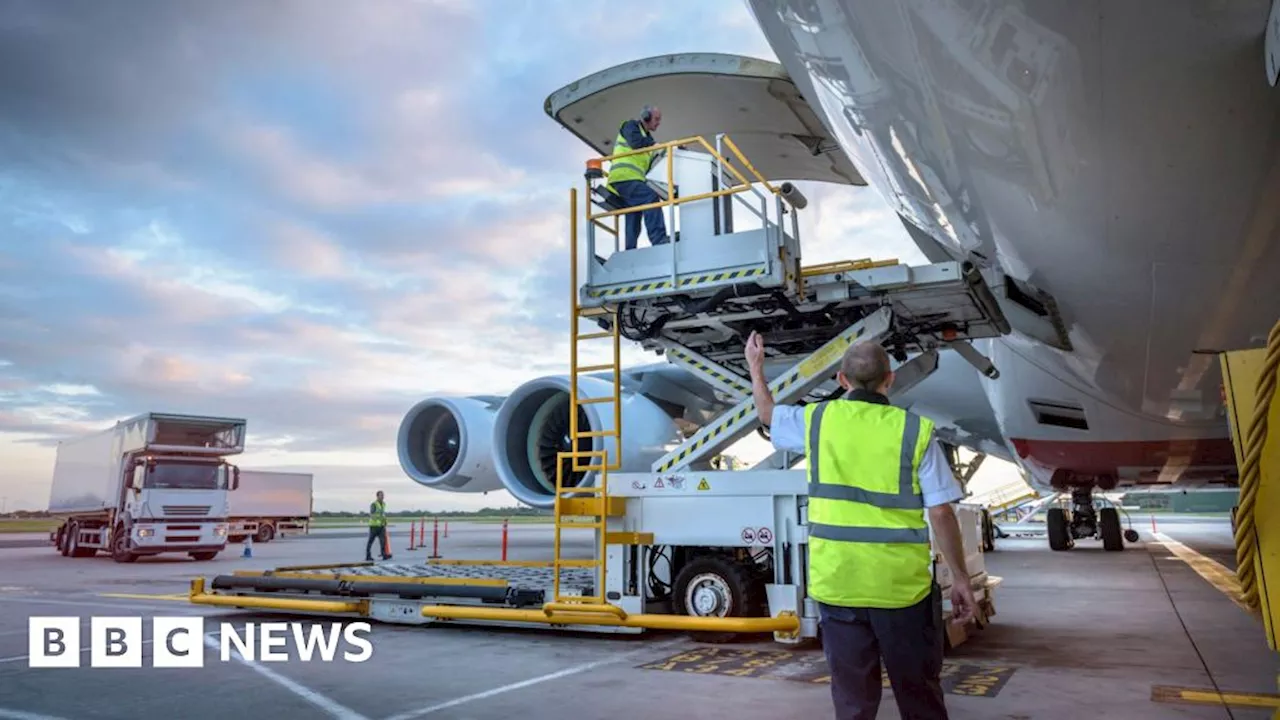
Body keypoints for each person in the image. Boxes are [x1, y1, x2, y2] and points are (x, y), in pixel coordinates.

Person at [743, 331, 978, 720]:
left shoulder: (817, 421)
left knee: (853, 699)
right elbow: (940, 512)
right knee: (918, 692)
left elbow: (767, 414)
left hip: (839, 584)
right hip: (901, 589)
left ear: (841, 379)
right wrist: (962, 579)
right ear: (890, 379)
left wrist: (756, 367)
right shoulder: (914, 432)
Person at [605, 105, 672, 250]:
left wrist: (673, 150)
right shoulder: (631, 126)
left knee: (634, 213)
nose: (658, 123)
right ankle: (659, 240)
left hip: (631, 180)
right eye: (656, 119)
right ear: (646, 116)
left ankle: (630, 249)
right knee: (650, 198)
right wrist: (657, 145)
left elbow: (654, 158)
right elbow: (636, 143)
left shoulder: (647, 139)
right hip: (624, 178)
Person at [365, 490, 392, 561]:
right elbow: (371, 514)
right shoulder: (374, 504)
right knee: (370, 541)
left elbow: (383, 514)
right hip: (374, 526)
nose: (382, 496)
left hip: (381, 526)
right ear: (377, 496)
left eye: (383, 495)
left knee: (383, 541)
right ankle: (368, 556)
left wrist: (385, 521)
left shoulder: (383, 504)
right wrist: (377, 520)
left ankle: (384, 554)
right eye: (381, 495)